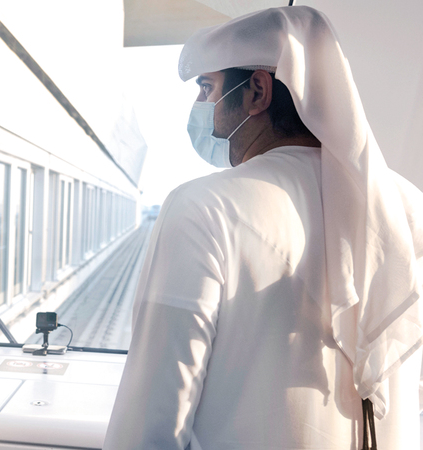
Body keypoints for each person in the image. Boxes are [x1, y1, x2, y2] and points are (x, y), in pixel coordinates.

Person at [104, 6, 423, 450]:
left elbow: (149, 427)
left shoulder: (203, 207)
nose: (201, 108)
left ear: (257, 90)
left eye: (207, 87)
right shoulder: (407, 204)